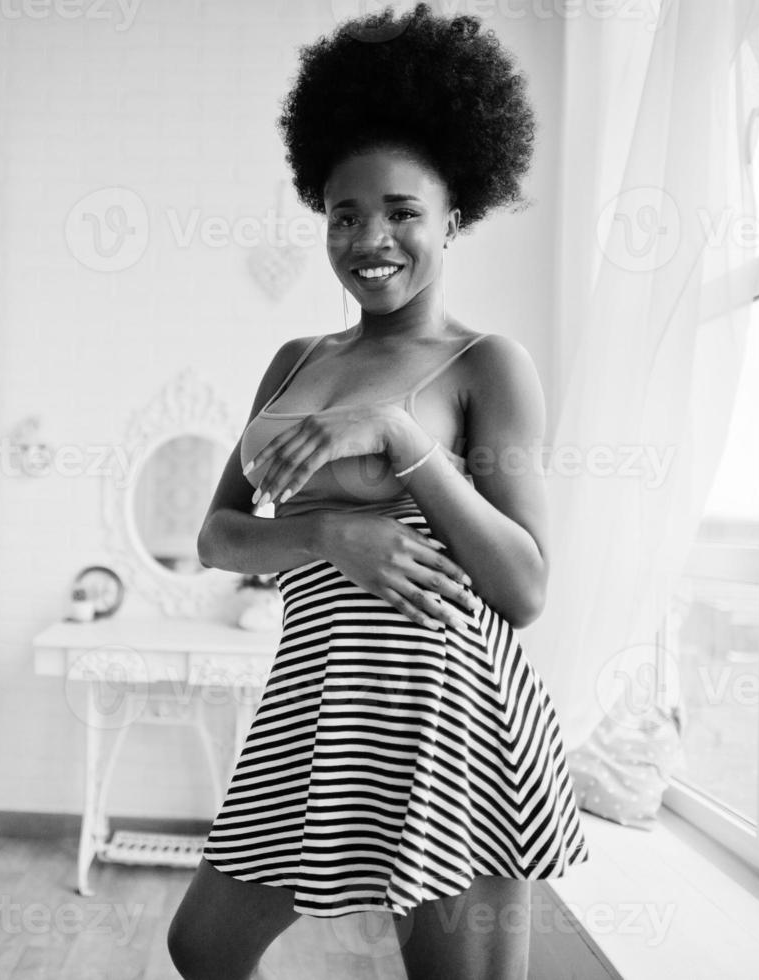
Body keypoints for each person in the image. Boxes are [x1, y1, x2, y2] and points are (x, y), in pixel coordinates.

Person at [166, 5, 591, 979]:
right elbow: (219, 536)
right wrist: (332, 541)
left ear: (455, 211)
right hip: (313, 703)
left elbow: (524, 589)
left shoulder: (490, 364)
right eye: (345, 213)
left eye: (401, 210)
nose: (370, 238)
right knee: (203, 947)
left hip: (449, 713)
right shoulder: (295, 358)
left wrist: (396, 435)